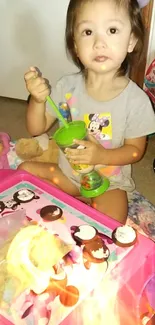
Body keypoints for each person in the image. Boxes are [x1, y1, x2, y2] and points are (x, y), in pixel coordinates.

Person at [20, 0, 155, 224]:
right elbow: (36, 128)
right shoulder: (66, 88)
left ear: (131, 40)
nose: (99, 43)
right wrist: (37, 100)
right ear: (75, 44)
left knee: (111, 221)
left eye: (112, 30)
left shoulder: (136, 101)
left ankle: (76, 205)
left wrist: (100, 156)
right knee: (24, 171)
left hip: (108, 184)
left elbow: (134, 152)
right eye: (88, 31)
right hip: (68, 177)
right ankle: (70, 201)